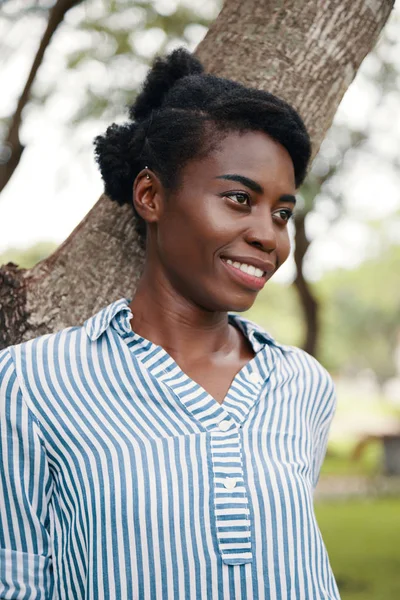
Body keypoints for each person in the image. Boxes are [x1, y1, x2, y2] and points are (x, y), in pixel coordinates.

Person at [0, 48, 340, 599]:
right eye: (238, 198)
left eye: (281, 212)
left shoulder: (303, 385)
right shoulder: (31, 384)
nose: (268, 236)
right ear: (151, 195)